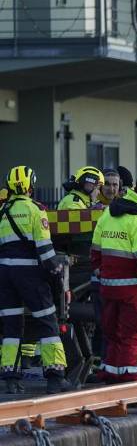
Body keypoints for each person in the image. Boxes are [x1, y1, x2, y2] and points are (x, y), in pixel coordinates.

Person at [0, 166, 69, 393]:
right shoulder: (35, 210)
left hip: (5, 277)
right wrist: (57, 269)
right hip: (30, 276)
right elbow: (45, 250)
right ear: (31, 186)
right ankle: (55, 376)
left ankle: (10, 377)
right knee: (47, 322)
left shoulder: (2, 211)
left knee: (11, 327)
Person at [92, 174, 137, 383]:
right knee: (132, 334)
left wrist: (100, 272)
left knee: (112, 332)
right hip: (133, 289)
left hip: (108, 286)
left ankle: (110, 372)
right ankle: (129, 378)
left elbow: (95, 249)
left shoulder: (109, 213)